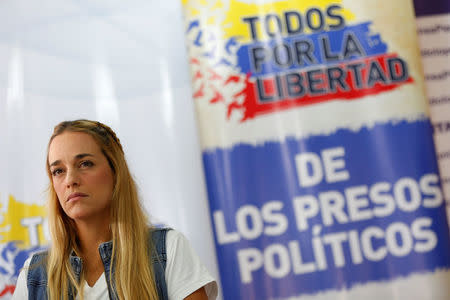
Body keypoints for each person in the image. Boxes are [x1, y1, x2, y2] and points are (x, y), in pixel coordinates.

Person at [12, 120, 217, 300]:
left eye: (85, 163)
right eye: (58, 171)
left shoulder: (167, 250)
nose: (70, 180)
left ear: (115, 172)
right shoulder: (33, 277)